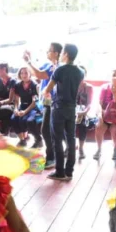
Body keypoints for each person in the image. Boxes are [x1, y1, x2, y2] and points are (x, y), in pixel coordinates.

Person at [41, 43, 84, 181]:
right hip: (72, 108)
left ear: (65, 54)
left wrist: (45, 92)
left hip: (58, 108)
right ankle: (69, 171)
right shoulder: (80, 72)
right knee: (71, 139)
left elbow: (47, 89)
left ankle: (60, 171)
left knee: (57, 140)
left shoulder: (59, 70)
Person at [23, 43, 62, 169]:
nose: (47, 52)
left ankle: (53, 157)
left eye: (49, 50)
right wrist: (30, 61)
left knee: (46, 130)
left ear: (56, 53)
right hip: (45, 102)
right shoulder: (48, 65)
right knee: (48, 130)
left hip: (52, 102)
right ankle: (52, 156)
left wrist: (28, 62)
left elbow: (39, 74)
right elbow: (36, 74)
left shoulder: (57, 67)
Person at [93, 69, 116, 161]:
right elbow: (99, 103)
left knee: (114, 130)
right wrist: (100, 115)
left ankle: (115, 149)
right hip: (104, 114)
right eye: (113, 75)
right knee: (98, 127)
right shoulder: (104, 87)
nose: (115, 77)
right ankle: (99, 149)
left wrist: (114, 91)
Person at [9, 67, 39, 147]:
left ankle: (27, 137)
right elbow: (16, 100)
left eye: (26, 73)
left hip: (32, 107)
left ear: (30, 74)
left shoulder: (34, 85)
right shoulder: (18, 85)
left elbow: (34, 102)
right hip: (22, 106)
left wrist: (25, 111)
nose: (24, 75)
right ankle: (22, 140)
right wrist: (15, 109)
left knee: (24, 120)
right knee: (13, 118)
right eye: (22, 73)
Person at [73, 70, 94, 160]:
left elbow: (89, 103)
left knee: (82, 124)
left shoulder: (88, 87)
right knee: (66, 123)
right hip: (72, 111)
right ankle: (70, 146)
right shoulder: (71, 86)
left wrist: (84, 112)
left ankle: (81, 148)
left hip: (84, 112)